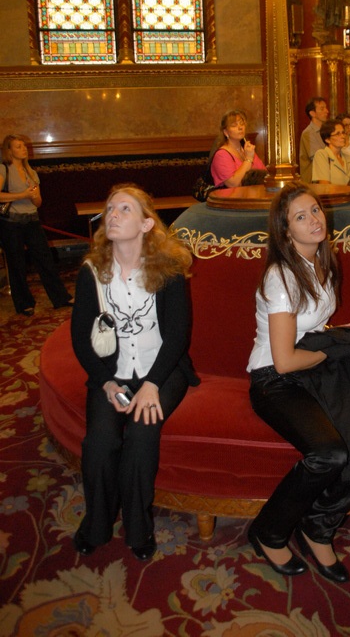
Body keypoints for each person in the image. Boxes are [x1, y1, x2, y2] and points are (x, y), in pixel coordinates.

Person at [247, 182, 350, 582]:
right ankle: (268, 531)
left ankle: (318, 525)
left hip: (313, 371)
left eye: (315, 210)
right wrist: (333, 349)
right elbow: (284, 361)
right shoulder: (281, 278)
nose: (314, 220)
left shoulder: (322, 261)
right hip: (275, 381)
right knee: (329, 453)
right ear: (285, 232)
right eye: (301, 217)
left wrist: (336, 341)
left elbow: (313, 329)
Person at [70, 184, 198, 560]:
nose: (113, 214)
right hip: (114, 373)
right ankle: (97, 522)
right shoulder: (92, 272)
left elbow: (177, 335)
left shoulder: (168, 269)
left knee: (142, 435)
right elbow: (80, 338)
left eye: (125, 209)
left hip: (163, 370)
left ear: (146, 224)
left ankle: (138, 526)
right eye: (110, 208)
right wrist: (106, 383)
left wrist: (152, 384)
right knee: (99, 442)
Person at [0, 134, 73, 316]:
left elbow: (38, 202)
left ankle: (60, 298)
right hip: (11, 223)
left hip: (32, 220)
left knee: (45, 259)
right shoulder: (3, 169)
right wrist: (22, 195)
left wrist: (33, 196)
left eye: (24, 146)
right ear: (9, 150)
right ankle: (24, 303)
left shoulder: (31, 172)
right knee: (17, 263)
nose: (24, 149)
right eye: (18, 146)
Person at [210, 109, 266, 188]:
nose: (240, 128)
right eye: (234, 125)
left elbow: (264, 175)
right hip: (232, 195)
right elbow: (233, 184)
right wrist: (248, 159)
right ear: (226, 132)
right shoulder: (221, 155)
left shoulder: (247, 150)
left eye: (242, 124)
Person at [312, 119, 350, 186]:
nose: (343, 136)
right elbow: (324, 186)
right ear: (327, 139)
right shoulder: (322, 155)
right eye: (338, 134)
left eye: (343, 133)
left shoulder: (349, 158)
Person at [299, 97, 330, 183]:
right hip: (314, 182)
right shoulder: (308, 133)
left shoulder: (326, 131)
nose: (327, 111)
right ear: (312, 113)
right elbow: (319, 158)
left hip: (326, 178)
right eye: (322, 109)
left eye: (326, 108)